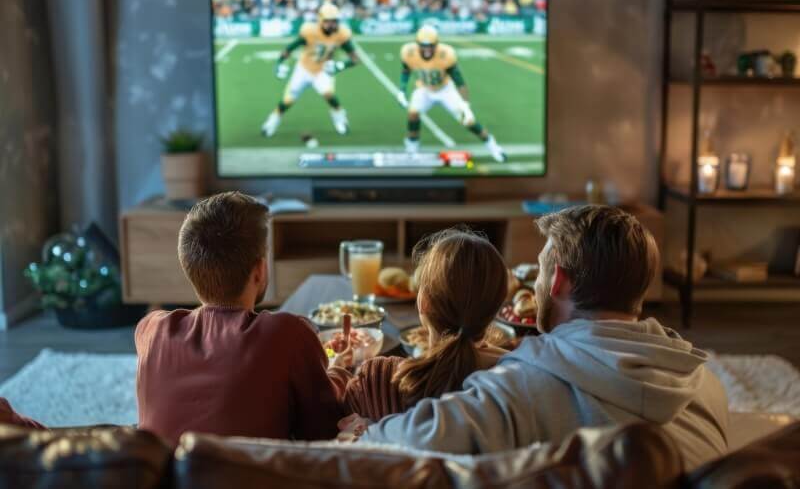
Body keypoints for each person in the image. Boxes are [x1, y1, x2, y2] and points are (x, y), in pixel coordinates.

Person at [354, 205, 729, 469]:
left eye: (539, 271)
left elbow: (389, 449)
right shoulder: (708, 383)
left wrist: (372, 424)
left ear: (559, 281)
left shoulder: (520, 390)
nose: (535, 283)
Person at [135, 192, 347, 444]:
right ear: (259, 270)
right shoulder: (288, 334)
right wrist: (340, 373)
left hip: (169, 475)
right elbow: (324, 432)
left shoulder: (150, 330)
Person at [339, 228, 509, 422]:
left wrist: (337, 371)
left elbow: (335, 429)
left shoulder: (377, 379)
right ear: (496, 306)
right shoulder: (518, 376)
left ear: (423, 302)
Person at [396, 25, 507, 162]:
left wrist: (465, 105)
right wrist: (402, 89)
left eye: (430, 46)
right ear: (417, 44)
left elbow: (460, 82)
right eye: (423, 46)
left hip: (445, 90)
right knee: (413, 113)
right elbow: (406, 70)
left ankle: (492, 145)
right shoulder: (409, 52)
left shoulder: (446, 54)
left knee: (468, 121)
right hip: (424, 89)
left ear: (436, 44)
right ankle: (412, 147)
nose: (427, 49)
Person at [262, 2, 359, 138]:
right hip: (304, 69)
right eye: (329, 22)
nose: (332, 25)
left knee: (328, 94)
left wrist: (339, 66)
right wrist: (279, 63)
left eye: (335, 21)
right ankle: (273, 119)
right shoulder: (310, 31)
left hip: (323, 70)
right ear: (320, 20)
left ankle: (340, 119)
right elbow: (290, 48)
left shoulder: (341, 34)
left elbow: (355, 59)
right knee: (288, 100)